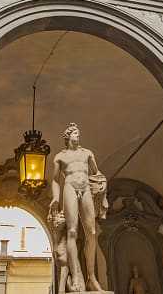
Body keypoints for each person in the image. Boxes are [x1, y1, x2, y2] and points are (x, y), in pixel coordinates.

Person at [50, 123, 106, 292]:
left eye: (78, 133)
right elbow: (54, 180)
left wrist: (102, 185)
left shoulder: (87, 153)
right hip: (69, 187)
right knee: (72, 231)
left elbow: (96, 173)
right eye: (74, 133)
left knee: (92, 232)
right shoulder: (60, 157)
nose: (77, 135)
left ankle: (91, 278)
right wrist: (55, 197)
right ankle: (75, 277)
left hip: (86, 188)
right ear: (67, 137)